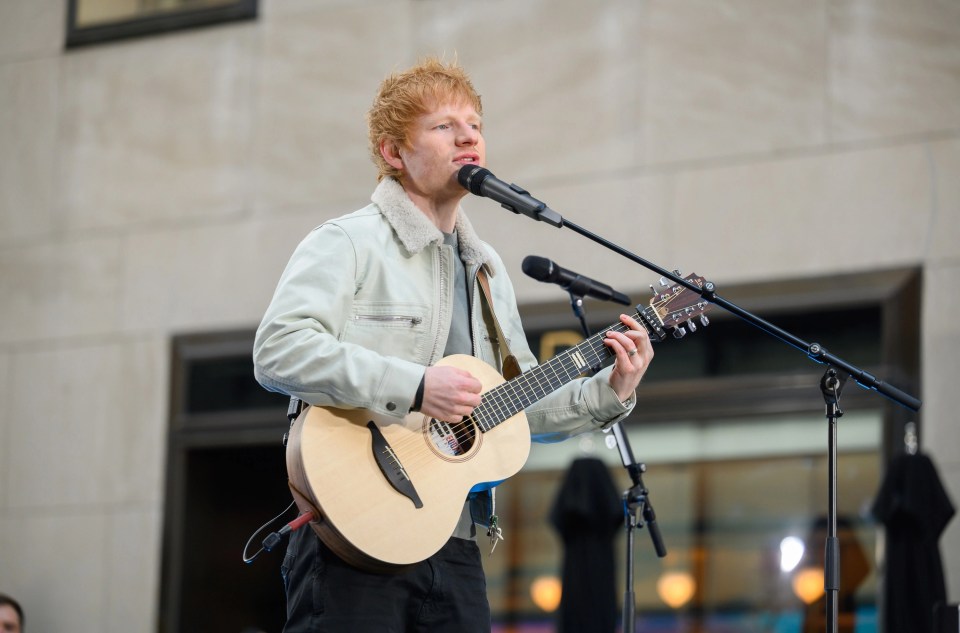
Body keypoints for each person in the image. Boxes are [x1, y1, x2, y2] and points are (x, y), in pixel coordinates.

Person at [253, 57, 655, 633]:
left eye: (475, 124)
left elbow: (516, 405)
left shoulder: (486, 269)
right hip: (352, 539)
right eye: (444, 126)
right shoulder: (347, 242)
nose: (468, 135)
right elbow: (279, 350)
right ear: (394, 153)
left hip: (456, 544)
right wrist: (416, 387)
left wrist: (610, 390)